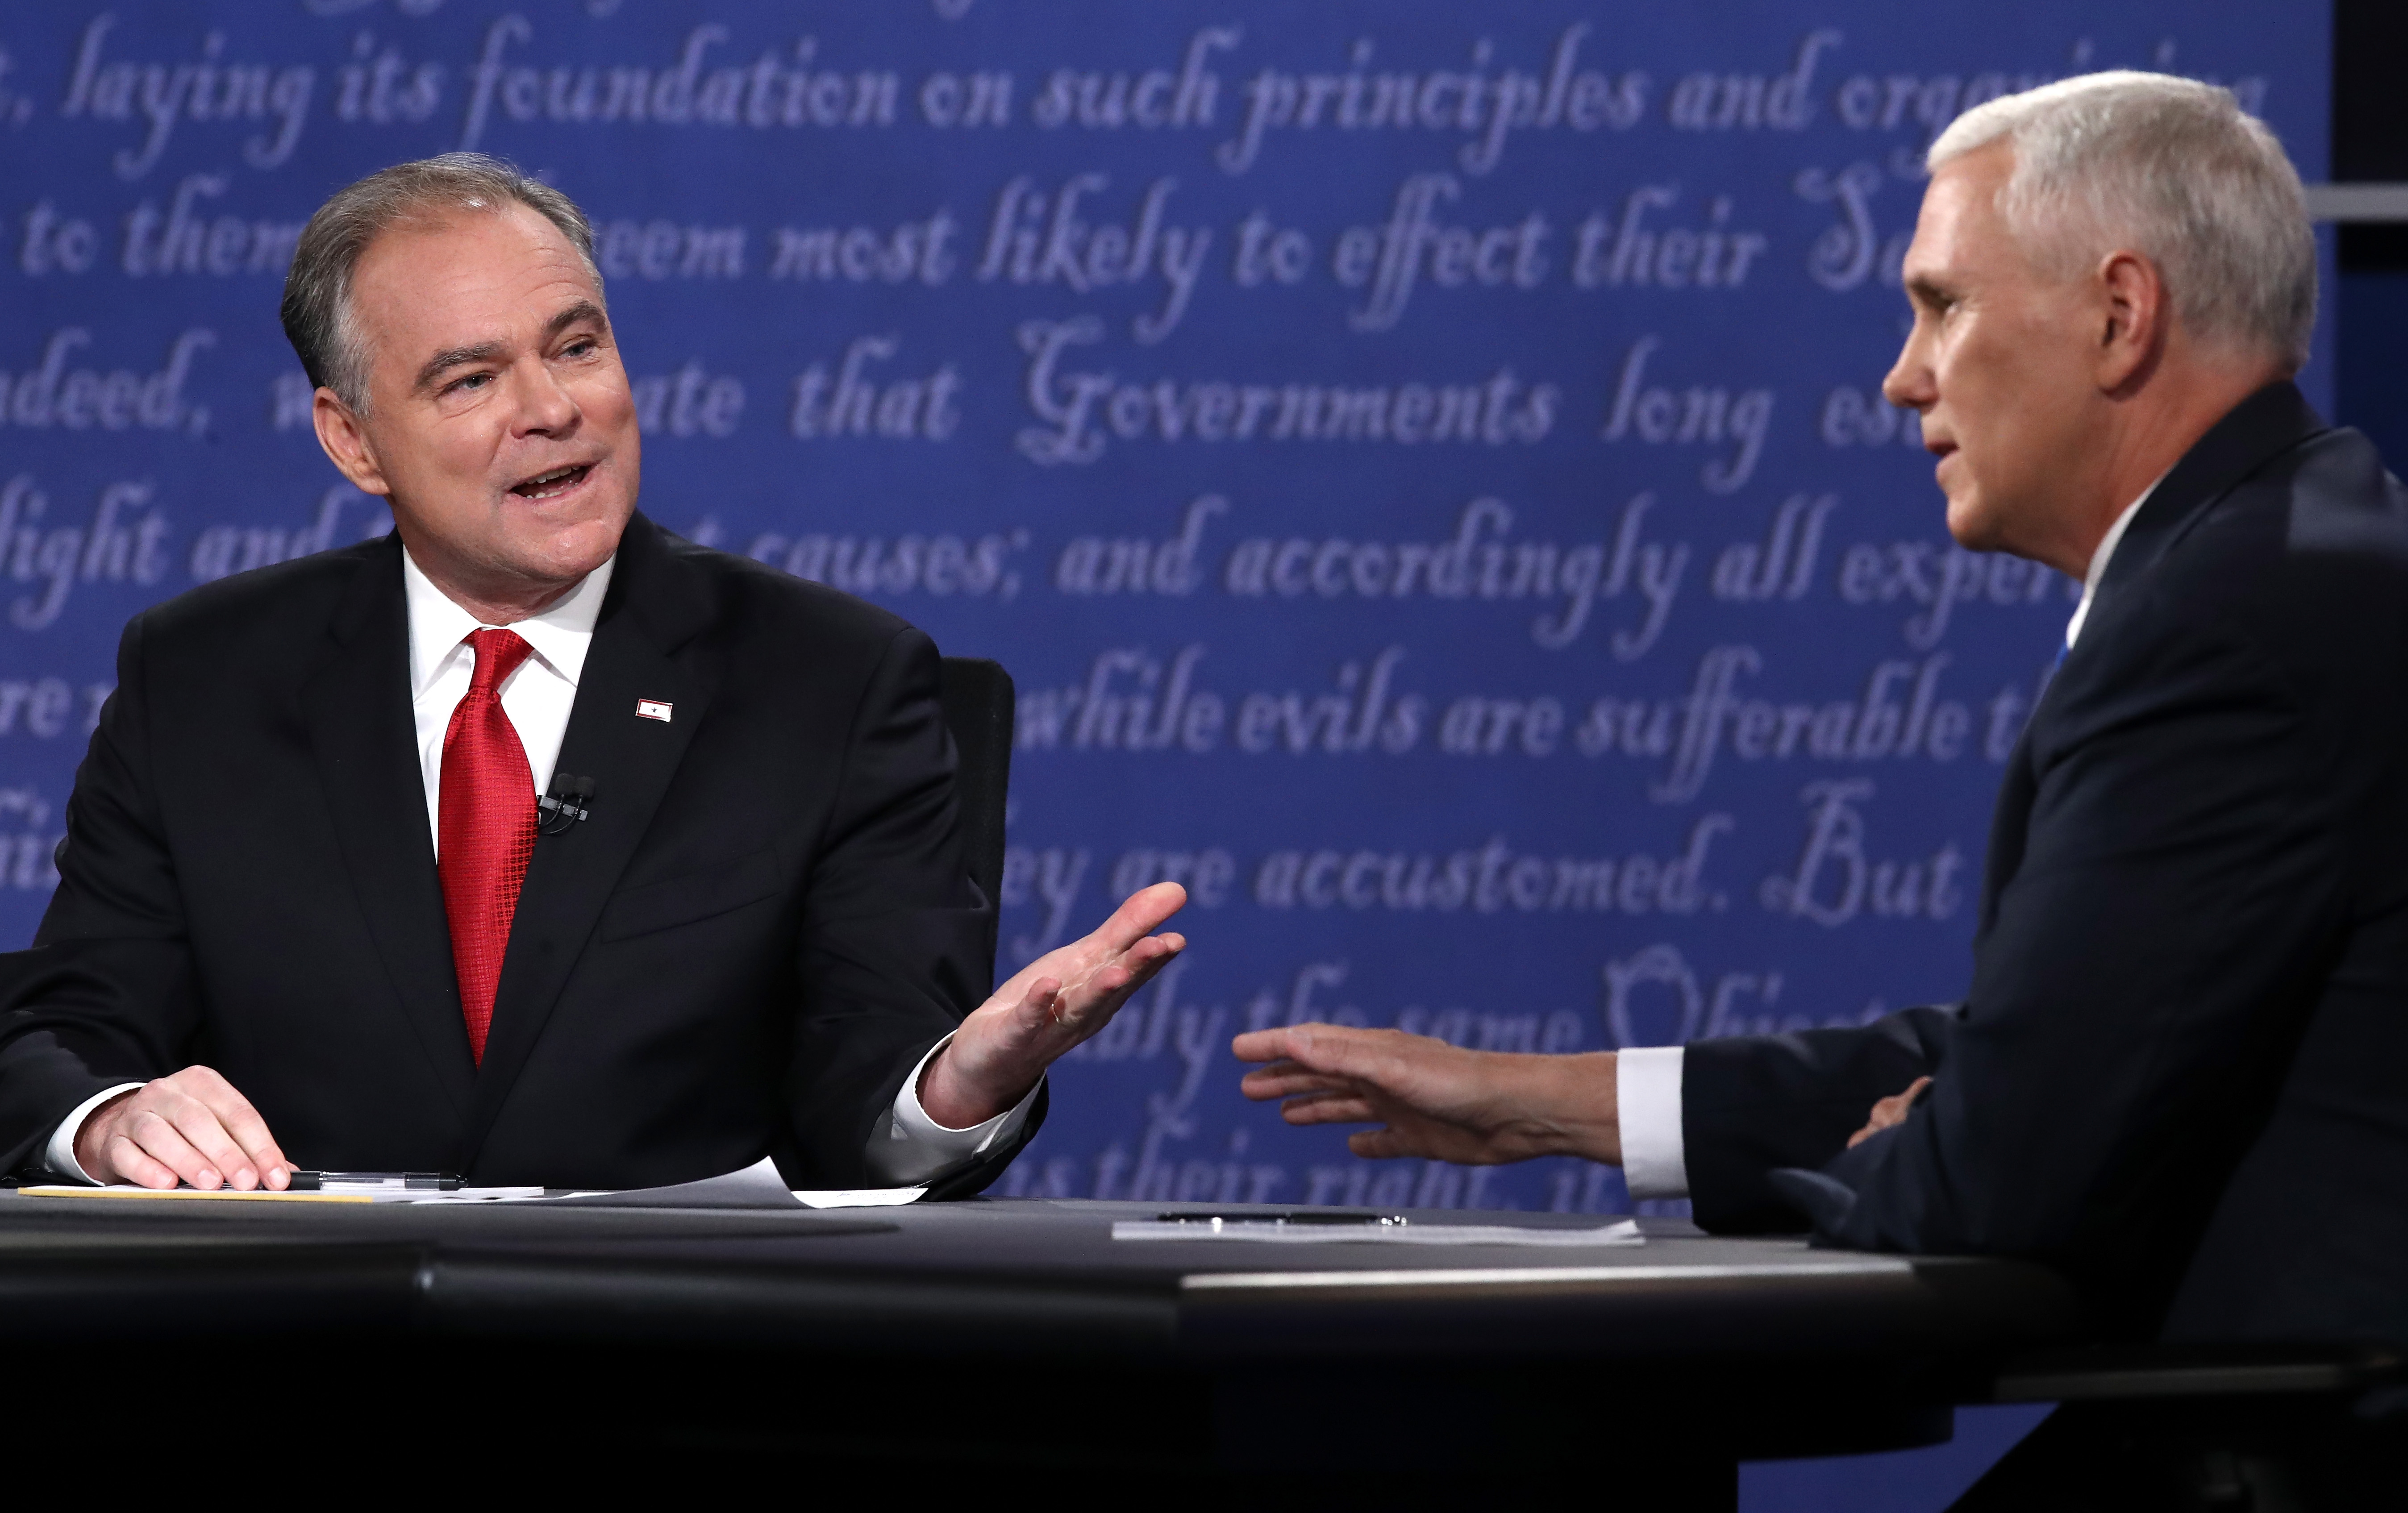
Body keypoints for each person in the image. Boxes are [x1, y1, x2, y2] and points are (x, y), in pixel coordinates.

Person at [1237, 71, 2408, 1354]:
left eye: (1941, 306)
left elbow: (1997, 1180)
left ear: (2120, 315)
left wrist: (1910, 1154)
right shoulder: (2299, 547)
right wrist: (1538, 1105)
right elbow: (2057, 1044)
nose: (1903, 379)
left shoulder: (2228, 623)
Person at [0, 154, 1184, 1196]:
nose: (553, 409)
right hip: (289, 1343)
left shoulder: (833, 682)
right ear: (353, 440)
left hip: (681, 1362)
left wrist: (957, 1087)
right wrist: (107, 1122)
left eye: (576, 346)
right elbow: (73, 1028)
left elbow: (863, 1106)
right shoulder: (202, 678)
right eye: (470, 381)